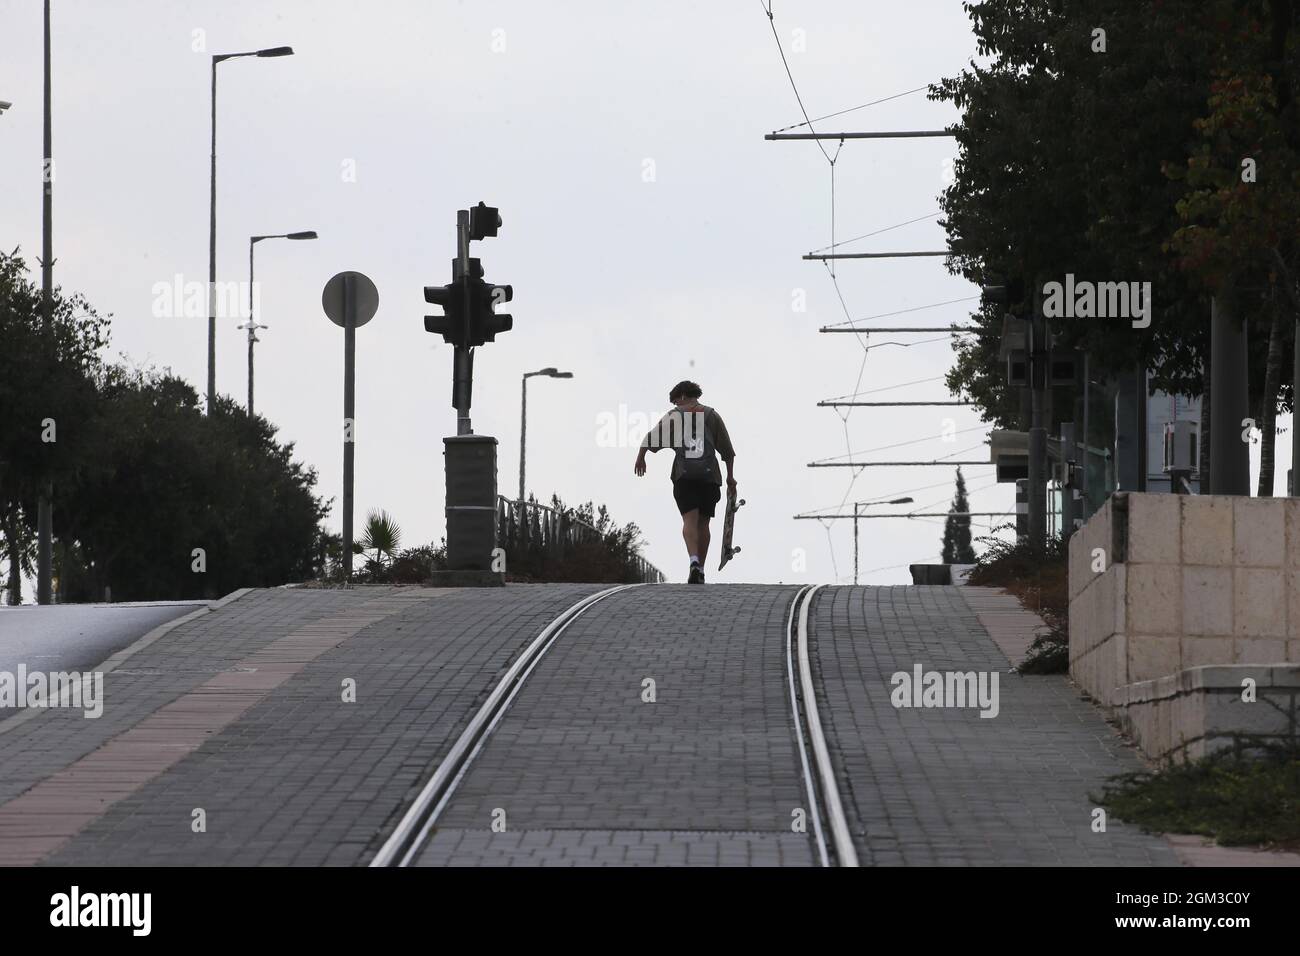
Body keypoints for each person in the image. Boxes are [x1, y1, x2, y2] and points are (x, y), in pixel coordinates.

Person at [633, 380, 736, 584]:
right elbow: (727, 451)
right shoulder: (712, 415)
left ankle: (694, 562)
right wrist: (730, 477)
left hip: (684, 476)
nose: (675, 405)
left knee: (689, 521)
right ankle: (701, 571)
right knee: (704, 523)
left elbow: (650, 438)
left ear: (681, 396)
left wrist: (641, 457)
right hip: (710, 477)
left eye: (674, 401)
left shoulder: (675, 416)